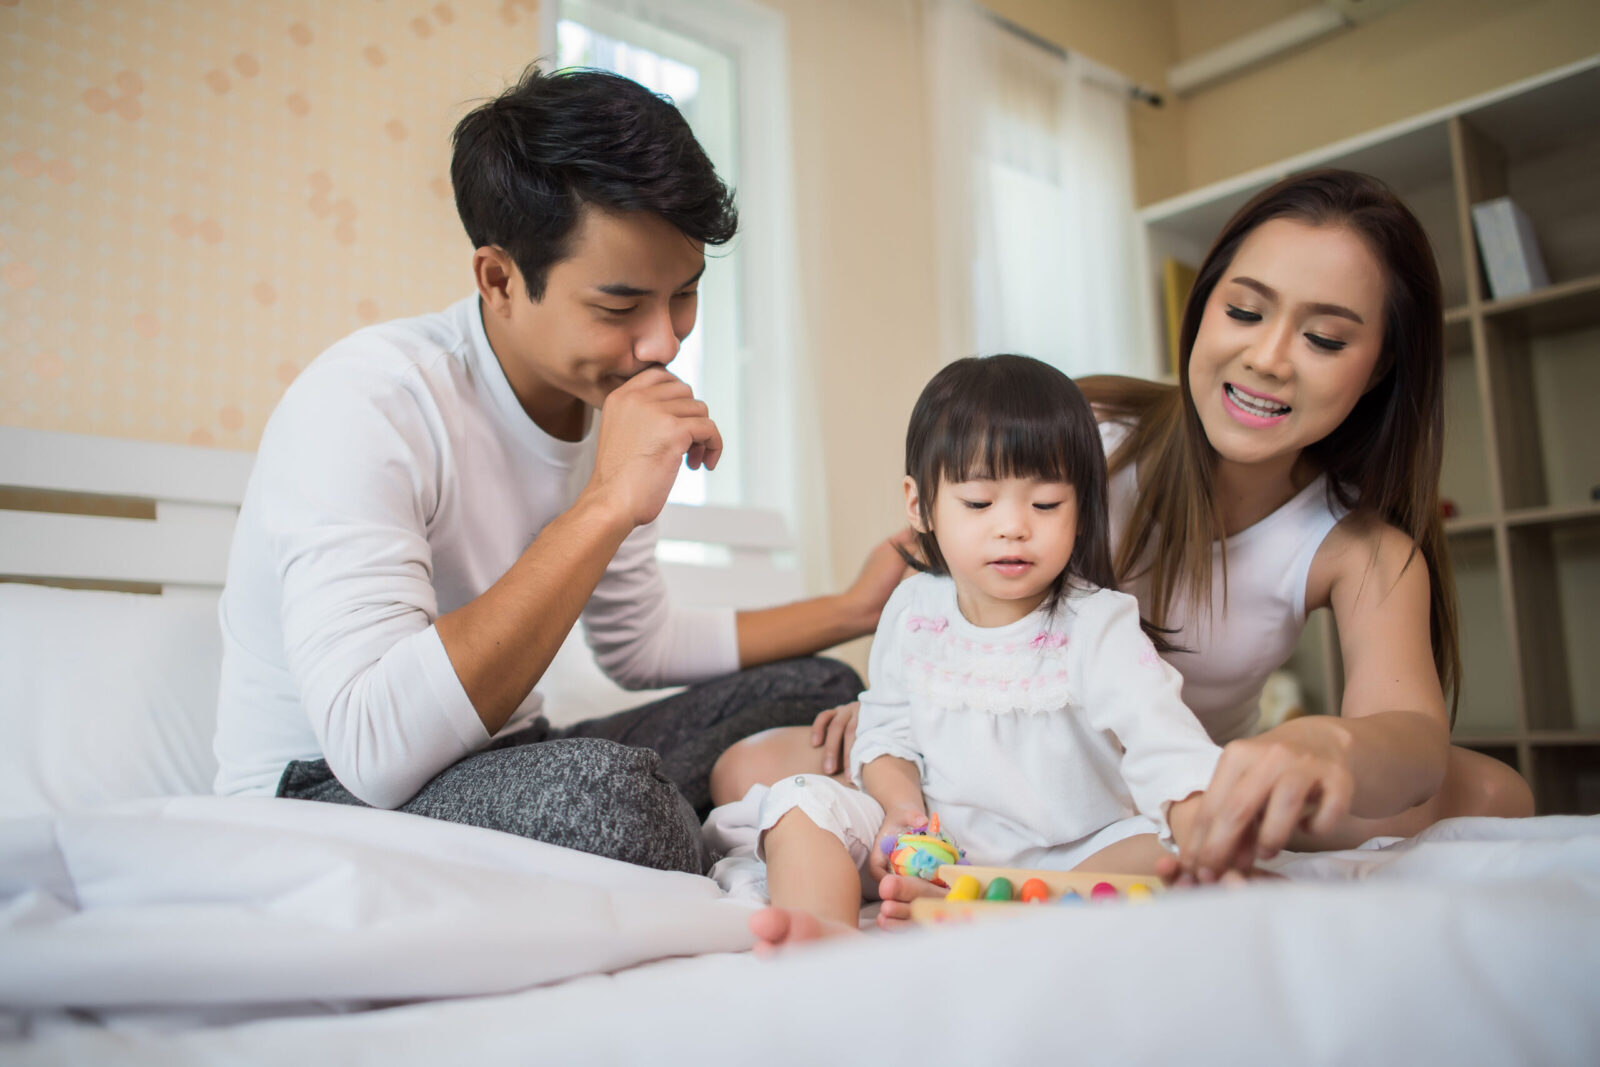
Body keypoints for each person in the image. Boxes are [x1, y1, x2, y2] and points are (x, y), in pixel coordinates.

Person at [715, 169, 1533, 912]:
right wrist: (902, 709)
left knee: (1497, 798)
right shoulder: (1091, 429)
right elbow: (948, 554)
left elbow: (1413, 735)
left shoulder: (1360, 547)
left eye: (1324, 338)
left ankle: (1087, 866)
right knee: (748, 771)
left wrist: (1324, 746)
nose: (1268, 357)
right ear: (1202, 307)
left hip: (1182, 773)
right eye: (1244, 311)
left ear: (1381, 366)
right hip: (1011, 752)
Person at [210, 64, 906, 875]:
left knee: (821, 691)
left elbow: (638, 643)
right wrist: (608, 501)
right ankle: (731, 814)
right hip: (324, 796)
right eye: (619, 309)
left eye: (685, 294)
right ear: (500, 279)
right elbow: (373, 748)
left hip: (510, 758)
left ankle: (729, 810)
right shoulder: (369, 402)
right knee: (621, 805)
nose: (664, 341)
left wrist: (854, 606)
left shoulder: (600, 390)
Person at [746, 355, 1229, 946]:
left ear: (1081, 509)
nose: (1013, 527)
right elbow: (887, 732)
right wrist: (902, 811)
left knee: (1164, 846)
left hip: (1069, 856)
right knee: (799, 799)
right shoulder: (914, 609)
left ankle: (1011, 913)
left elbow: (1166, 745)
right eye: (979, 503)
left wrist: (1199, 818)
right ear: (919, 504)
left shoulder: (1098, 624)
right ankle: (823, 938)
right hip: (939, 846)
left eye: (1045, 504)